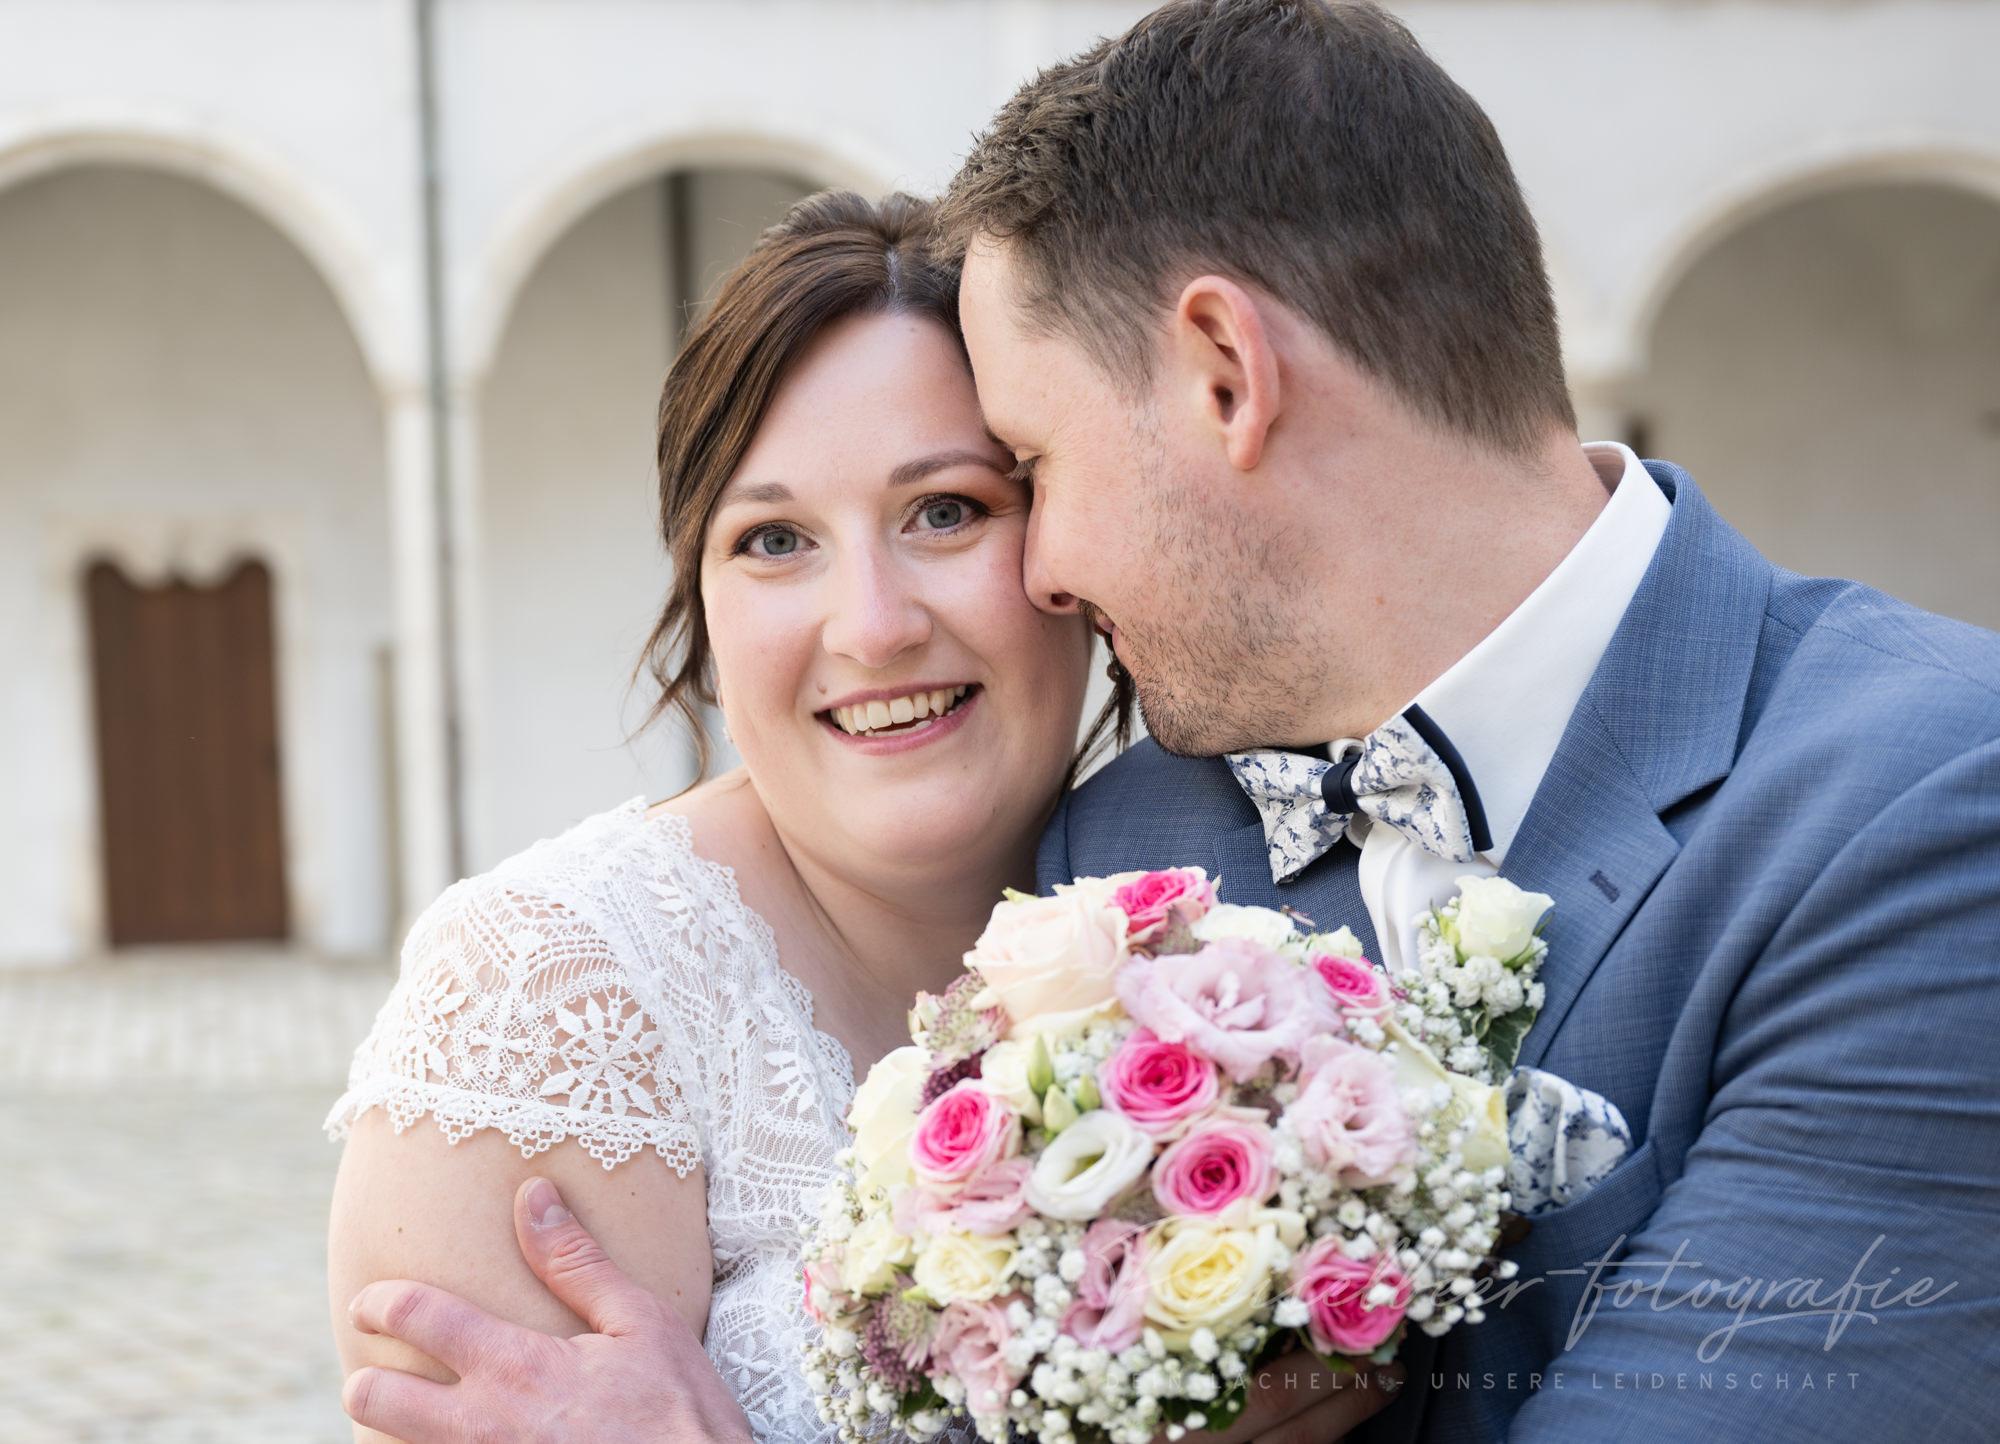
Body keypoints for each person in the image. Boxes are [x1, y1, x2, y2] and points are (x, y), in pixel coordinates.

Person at [342, 2, 2000, 1441]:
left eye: (1015, 480)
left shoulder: (1925, 813)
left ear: (1224, 371)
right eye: (773, 536)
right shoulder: (1134, 854)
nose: (1045, 571)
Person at [329, 190, 1396, 1444]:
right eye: (774, 539)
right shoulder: (544, 998)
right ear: (703, 605)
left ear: (1065, 544)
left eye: (944, 511)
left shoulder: (1269, 904)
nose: (874, 624)